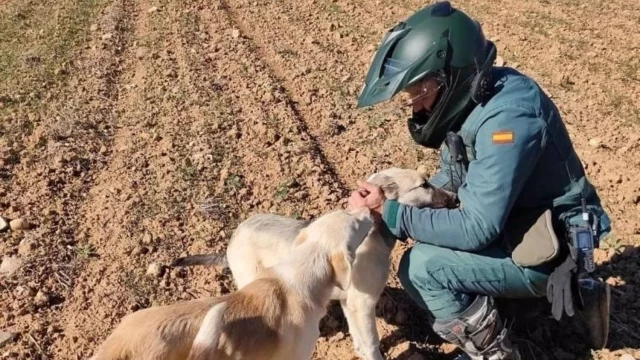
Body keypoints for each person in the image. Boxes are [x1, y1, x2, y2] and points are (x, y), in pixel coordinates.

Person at [347, 2, 613, 360]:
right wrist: (394, 205)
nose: (416, 109)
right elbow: (452, 180)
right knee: (439, 245)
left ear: (449, 76)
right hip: (518, 223)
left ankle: (497, 352)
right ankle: (520, 306)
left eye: (418, 94)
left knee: (422, 267)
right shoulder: (474, 102)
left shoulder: (507, 121)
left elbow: (476, 228)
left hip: (553, 244)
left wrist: (396, 216)